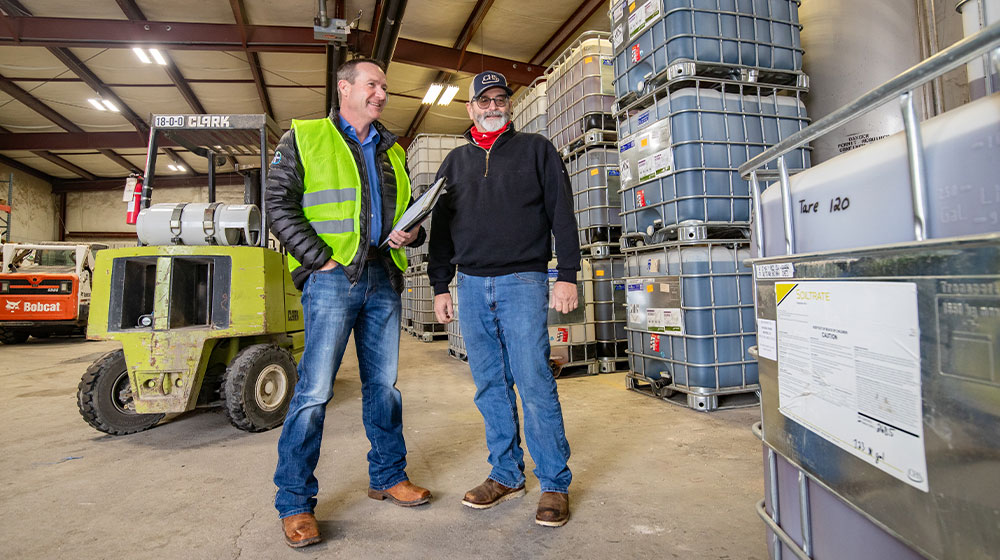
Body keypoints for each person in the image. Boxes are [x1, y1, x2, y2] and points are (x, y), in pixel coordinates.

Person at [266, 57, 431, 549]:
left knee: (385, 388)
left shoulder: (392, 150)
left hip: (383, 275)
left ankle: (387, 476)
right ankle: (294, 502)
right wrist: (320, 261)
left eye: (385, 86)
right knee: (314, 392)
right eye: (373, 84)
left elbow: (403, 215)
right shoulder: (307, 137)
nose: (382, 93)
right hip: (333, 279)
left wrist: (413, 230)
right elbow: (279, 203)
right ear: (345, 89)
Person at [428, 70, 581, 527]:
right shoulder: (453, 163)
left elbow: (562, 211)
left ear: (508, 106)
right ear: (470, 108)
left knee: (533, 380)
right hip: (471, 285)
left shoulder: (536, 149)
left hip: (523, 281)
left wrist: (567, 274)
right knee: (489, 384)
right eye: (485, 100)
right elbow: (439, 230)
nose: (494, 106)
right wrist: (440, 285)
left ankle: (553, 482)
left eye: (501, 99)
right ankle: (506, 473)